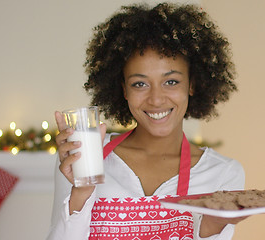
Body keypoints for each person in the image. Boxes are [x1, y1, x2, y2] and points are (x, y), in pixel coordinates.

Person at [47, 2, 245, 240]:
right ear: (124, 90)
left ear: (192, 84)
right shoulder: (85, 158)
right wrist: (82, 192)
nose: (156, 99)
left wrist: (211, 228)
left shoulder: (222, 173)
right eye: (140, 83)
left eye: (171, 81)